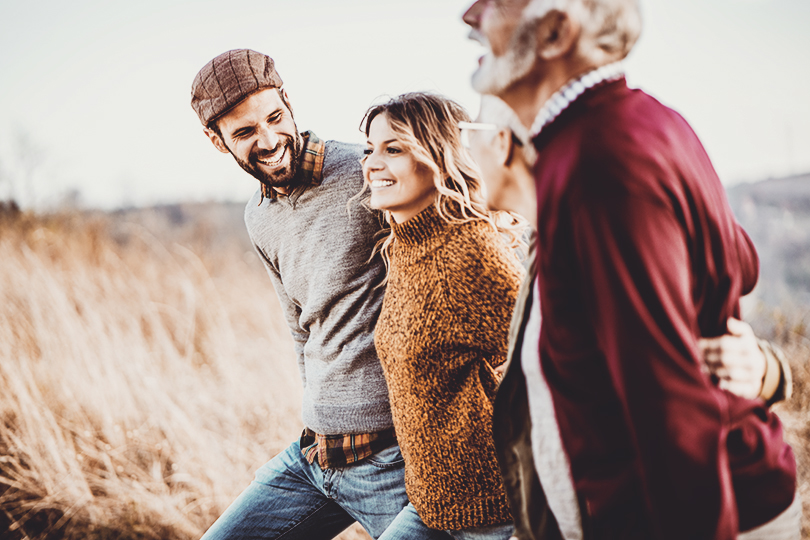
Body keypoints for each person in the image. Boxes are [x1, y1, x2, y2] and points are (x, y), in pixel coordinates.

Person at [462, 1, 798, 538]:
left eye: (498, 2)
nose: (470, 15)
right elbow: (740, 260)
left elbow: (670, 409)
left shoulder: (597, 163)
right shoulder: (642, 121)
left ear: (555, 31)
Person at [190, 49, 451, 540]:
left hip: (389, 460)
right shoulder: (258, 216)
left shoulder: (367, 172)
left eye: (274, 118)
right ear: (217, 140)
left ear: (289, 103)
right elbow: (299, 327)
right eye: (244, 133)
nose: (268, 141)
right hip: (311, 459)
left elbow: (447, 262)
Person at [359, 92, 525, 540]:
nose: (372, 163)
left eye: (393, 148)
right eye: (369, 148)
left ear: (437, 157)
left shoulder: (470, 251)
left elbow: (558, 352)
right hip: (430, 504)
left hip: (493, 511)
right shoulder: (403, 245)